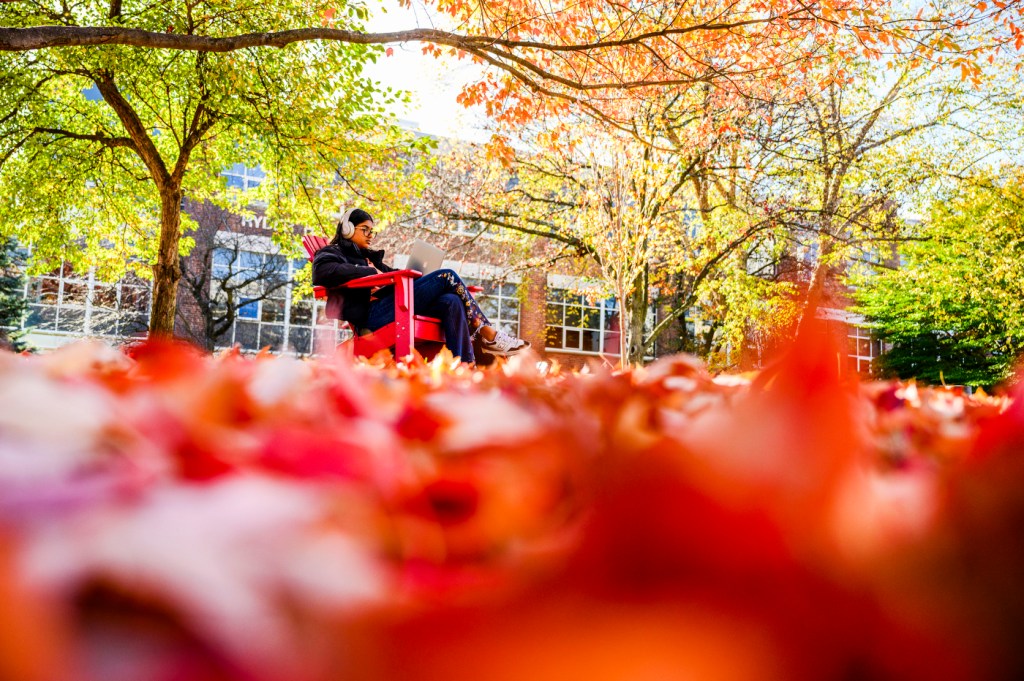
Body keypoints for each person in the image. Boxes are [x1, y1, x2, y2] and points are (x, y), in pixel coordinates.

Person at [311, 207, 530, 363]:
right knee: (447, 276)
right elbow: (322, 272)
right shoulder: (331, 252)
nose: (370, 235)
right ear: (348, 229)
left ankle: (463, 366)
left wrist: (414, 277)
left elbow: (390, 276)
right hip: (372, 316)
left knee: (451, 301)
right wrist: (369, 272)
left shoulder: (370, 257)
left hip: (392, 306)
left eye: (372, 231)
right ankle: (489, 335)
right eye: (364, 229)